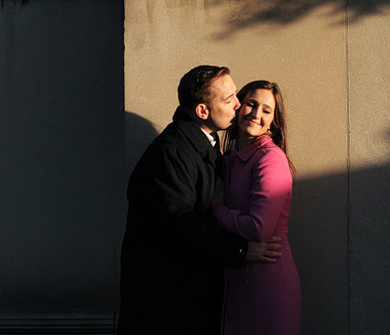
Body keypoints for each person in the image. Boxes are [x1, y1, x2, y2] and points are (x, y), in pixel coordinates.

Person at [118, 66, 282, 335]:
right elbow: (182, 222)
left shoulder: (203, 143)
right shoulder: (174, 151)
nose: (239, 105)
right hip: (167, 302)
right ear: (203, 111)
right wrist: (240, 250)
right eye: (229, 100)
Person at [213, 80, 301, 335]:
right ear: (238, 107)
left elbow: (259, 227)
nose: (256, 114)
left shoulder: (270, 158)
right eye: (251, 104)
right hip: (239, 276)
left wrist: (217, 211)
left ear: (273, 121)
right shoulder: (229, 158)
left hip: (267, 279)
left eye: (266, 110)